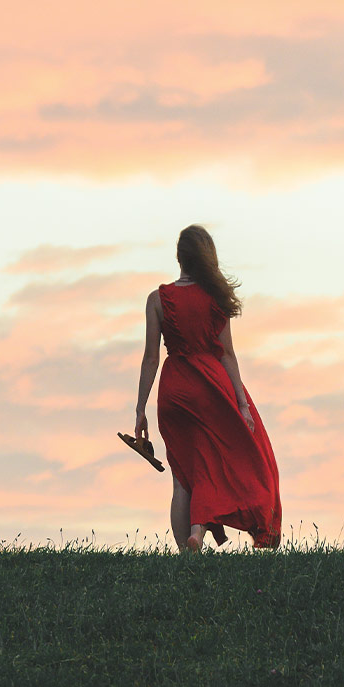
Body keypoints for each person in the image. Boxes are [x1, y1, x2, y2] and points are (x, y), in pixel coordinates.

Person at [132, 225, 281, 552]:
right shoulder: (216, 298)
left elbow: (150, 358)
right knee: (214, 463)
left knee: (182, 475)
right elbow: (227, 353)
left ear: (178, 257)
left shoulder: (157, 300)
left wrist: (140, 409)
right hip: (210, 388)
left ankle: (190, 550)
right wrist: (241, 403)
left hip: (174, 391)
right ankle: (198, 532)